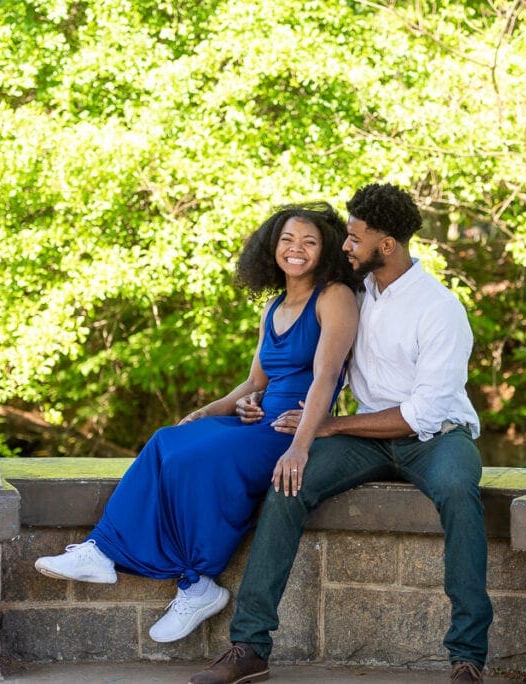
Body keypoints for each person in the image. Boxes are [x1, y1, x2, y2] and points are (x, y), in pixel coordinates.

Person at [191, 183, 493, 684]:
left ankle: (467, 657)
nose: (344, 247)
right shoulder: (354, 295)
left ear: (387, 245)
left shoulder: (440, 309)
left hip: (436, 437)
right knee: (288, 485)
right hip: (365, 438)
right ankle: (249, 647)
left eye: (353, 239)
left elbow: (421, 412)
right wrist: (258, 400)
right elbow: (307, 365)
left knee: (461, 492)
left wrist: (331, 426)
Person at [33, 203, 359, 644]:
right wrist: (210, 410)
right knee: (169, 441)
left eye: (309, 241)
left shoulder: (333, 296)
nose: (295, 249)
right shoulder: (274, 307)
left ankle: (195, 580)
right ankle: (101, 551)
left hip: (291, 429)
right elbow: (253, 381)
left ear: (325, 251)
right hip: (258, 420)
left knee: (203, 461)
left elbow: (326, 377)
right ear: (271, 247)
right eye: (287, 240)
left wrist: (301, 446)